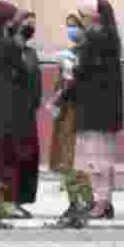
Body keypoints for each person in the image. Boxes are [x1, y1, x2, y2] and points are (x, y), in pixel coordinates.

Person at [0, 1, 42, 218]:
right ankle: (7, 202)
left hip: (17, 109)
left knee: (20, 155)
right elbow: (20, 67)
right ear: (4, 22)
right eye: (14, 20)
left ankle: (13, 200)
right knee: (8, 155)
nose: (18, 24)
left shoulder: (2, 43)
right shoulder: (0, 44)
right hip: (7, 111)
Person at [73, 0, 124, 219]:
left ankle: (100, 203)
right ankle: (105, 201)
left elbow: (83, 71)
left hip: (93, 107)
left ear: (93, 17)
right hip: (106, 108)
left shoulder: (95, 39)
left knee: (95, 158)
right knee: (104, 157)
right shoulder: (110, 37)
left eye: (83, 16)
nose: (81, 21)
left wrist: (71, 66)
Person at [47, 14, 85, 174]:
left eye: (74, 26)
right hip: (64, 96)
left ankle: (70, 168)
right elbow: (61, 76)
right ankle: (60, 165)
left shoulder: (87, 50)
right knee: (62, 131)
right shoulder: (69, 52)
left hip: (77, 97)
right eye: (68, 26)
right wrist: (56, 96)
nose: (71, 30)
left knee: (70, 133)